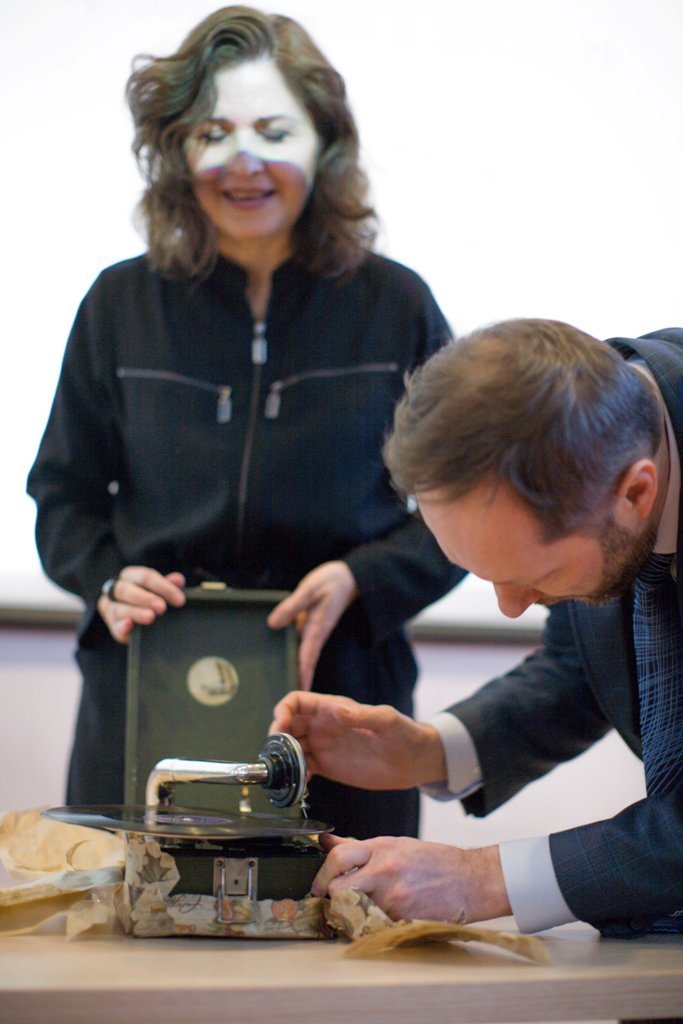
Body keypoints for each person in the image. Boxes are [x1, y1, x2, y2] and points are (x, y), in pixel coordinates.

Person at [26, 5, 462, 838]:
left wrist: (362, 579)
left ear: (324, 144)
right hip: (148, 690)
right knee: (133, 916)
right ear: (176, 149)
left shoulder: (396, 306)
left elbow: (466, 509)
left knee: (346, 909)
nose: (243, 161)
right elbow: (61, 496)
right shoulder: (118, 305)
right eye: (212, 133)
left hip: (342, 703)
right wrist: (107, 578)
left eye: (273, 130)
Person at [271, 318, 683, 936]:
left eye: (535, 574)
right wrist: (428, 752)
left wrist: (484, 877)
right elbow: (585, 663)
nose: (511, 607)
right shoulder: (596, 442)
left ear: (636, 494)